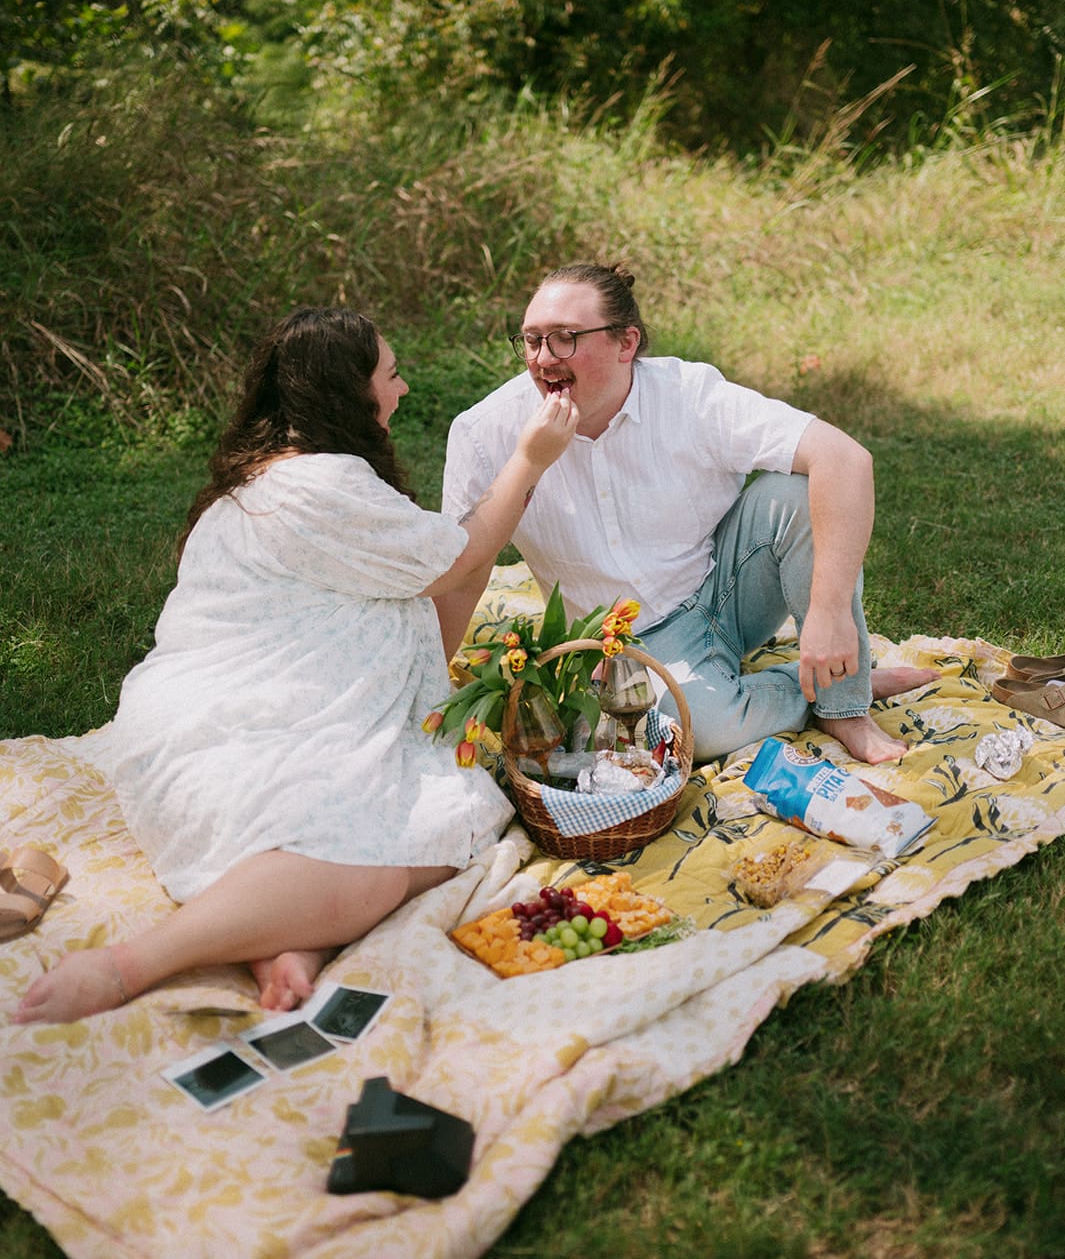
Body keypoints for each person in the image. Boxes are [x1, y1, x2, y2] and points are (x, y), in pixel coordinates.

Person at [13, 306, 578, 1026]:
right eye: (391, 375)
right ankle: (133, 964)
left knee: (459, 820)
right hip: (237, 721)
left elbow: (445, 574)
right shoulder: (321, 484)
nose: (401, 391)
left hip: (249, 713)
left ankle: (282, 931)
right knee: (382, 864)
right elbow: (458, 558)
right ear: (349, 392)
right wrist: (527, 461)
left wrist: (497, 504)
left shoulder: (279, 475)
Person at [440, 263, 935, 767]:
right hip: (617, 648)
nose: (543, 359)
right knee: (691, 729)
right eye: (531, 340)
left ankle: (845, 704)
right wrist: (426, 688)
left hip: (725, 587)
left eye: (565, 339)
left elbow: (845, 458)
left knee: (798, 491)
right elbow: (460, 571)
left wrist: (829, 616)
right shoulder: (485, 433)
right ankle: (813, 687)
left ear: (625, 344)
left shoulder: (688, 395)